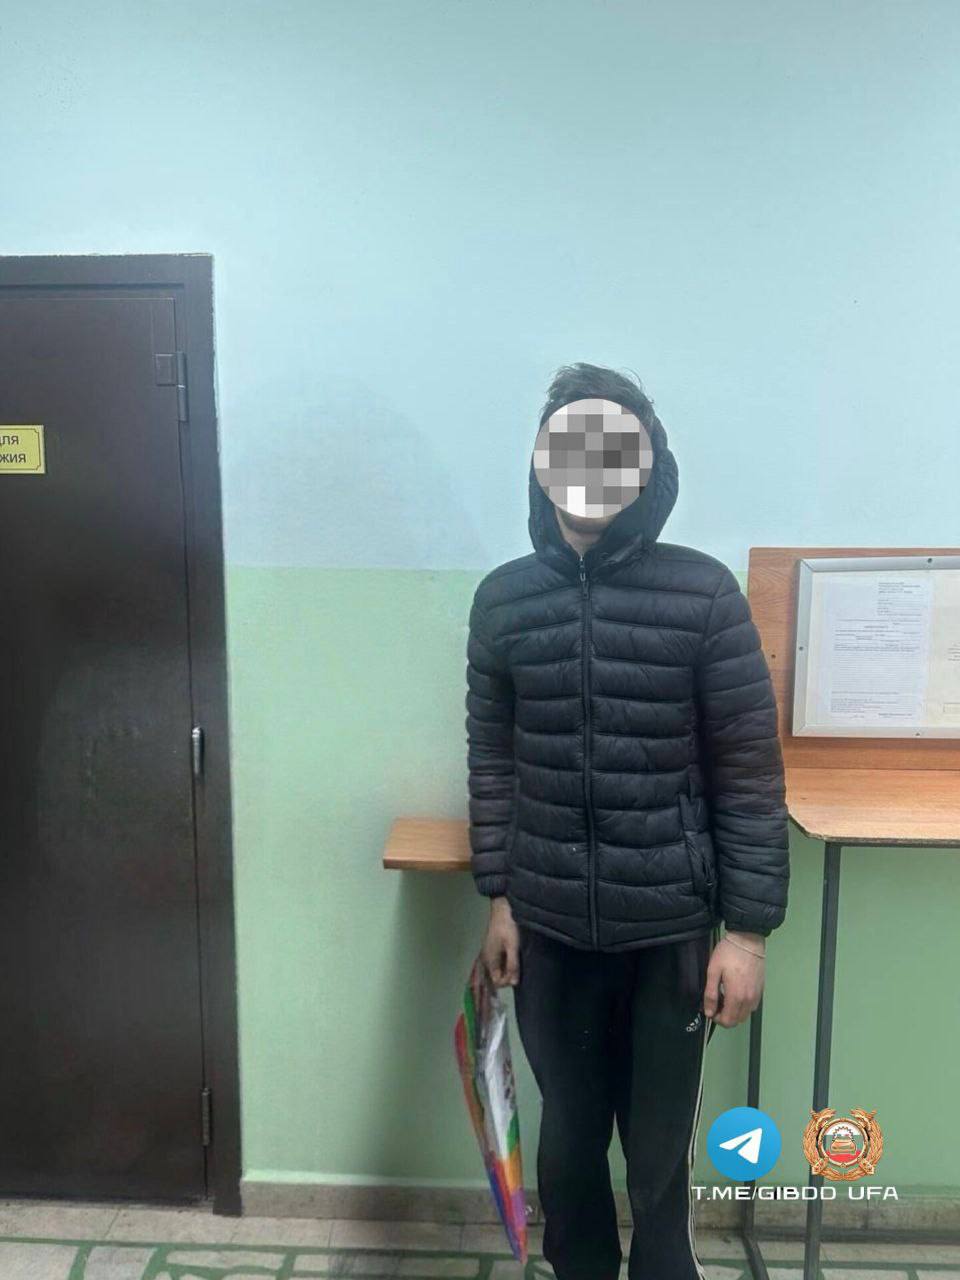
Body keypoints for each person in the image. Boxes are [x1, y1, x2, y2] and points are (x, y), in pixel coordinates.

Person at [464, 363, 789, 1280]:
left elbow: (749, 775)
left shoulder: (704, 595)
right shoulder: (503, 601)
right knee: (568, 1148)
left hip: (670, 933)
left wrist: (748, 936)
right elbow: (492, 761)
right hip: (550, 927)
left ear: (646, 468)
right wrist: (500, 900)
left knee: (657, 1160)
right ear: (543, 463)